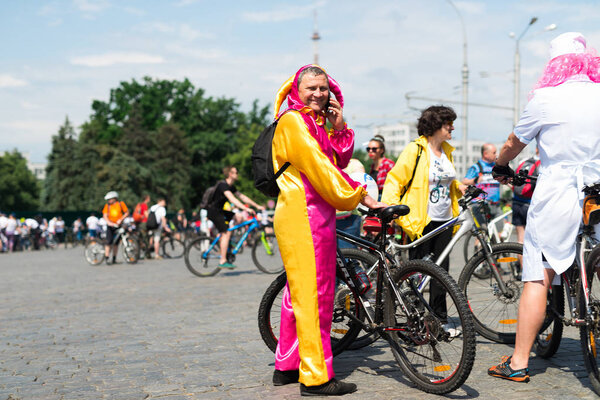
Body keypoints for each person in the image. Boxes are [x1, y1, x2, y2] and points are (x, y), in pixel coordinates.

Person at [488, 32, 600, 383]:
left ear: (555, 63)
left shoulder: (546, 98)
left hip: (558, 193)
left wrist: (502, 166)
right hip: (597, 187)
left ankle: (519, 362)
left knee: (538, 274)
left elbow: (512, 143)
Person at [270, 64, 385, 396]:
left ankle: (288, 365)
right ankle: (316, 377)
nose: (319, 94)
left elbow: (337, 159)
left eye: (323, 88)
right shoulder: (293, 121)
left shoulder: (312, 122)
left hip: (312, 213)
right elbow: (321, 170)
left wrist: (339, 127)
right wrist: (361, 196)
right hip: (303, 214)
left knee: (298, 295)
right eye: (311, 88)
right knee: (316, 296)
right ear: (296, 90)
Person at [382, 105, 466, 333]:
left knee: (442, 273)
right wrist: (389, 208)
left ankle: (439, 319)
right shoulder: (416, 150)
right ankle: (416, 320)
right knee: (418, 273)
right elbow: (395, 180)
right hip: (421, 220)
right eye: (449, 123)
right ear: (436, 125)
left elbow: (445, 181)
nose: (452, 127)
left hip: (445, 219)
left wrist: (461, 187)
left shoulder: (447, 150)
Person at [206, 166, 264, 269]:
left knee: (239, 217)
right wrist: (246, 209)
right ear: (230, 174)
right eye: (236, 172)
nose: (237, 174)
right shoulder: (223, 185)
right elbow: (232, 199)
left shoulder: (231, 186)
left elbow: (242, 197)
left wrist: (256, 206)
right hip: (213, 211)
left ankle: (229, 243)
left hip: (221, 211)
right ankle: (223, 260)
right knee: (226, 232)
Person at [462, 143, 501, 221]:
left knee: (499, 231)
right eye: (494, 153)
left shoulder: (497, 167)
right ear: (485, 154)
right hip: (480, 206)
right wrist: (475, 180)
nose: (496, 155)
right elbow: (464, 182)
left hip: (496, 205)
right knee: (483, 231)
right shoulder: (476, 167)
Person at [512, 148, 541, 247]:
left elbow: (514, 181)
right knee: (534, 240)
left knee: (521, 239)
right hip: (531, 204)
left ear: (536, 148)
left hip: (517, 202)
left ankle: (521, 262)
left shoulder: (523, 161)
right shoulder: (544, 164)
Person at [102, 191, 129, 264]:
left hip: (118, 225)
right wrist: (108, 222)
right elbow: (104, 215)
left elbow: (126, 212)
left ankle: (114, 258)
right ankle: (107, 258)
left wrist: (121, 219)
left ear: (114, 198)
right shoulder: (107, 206)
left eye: (110, 199)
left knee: (116, 243)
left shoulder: (120, 204)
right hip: (110, 225)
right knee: (108, 242)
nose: (109, 201)